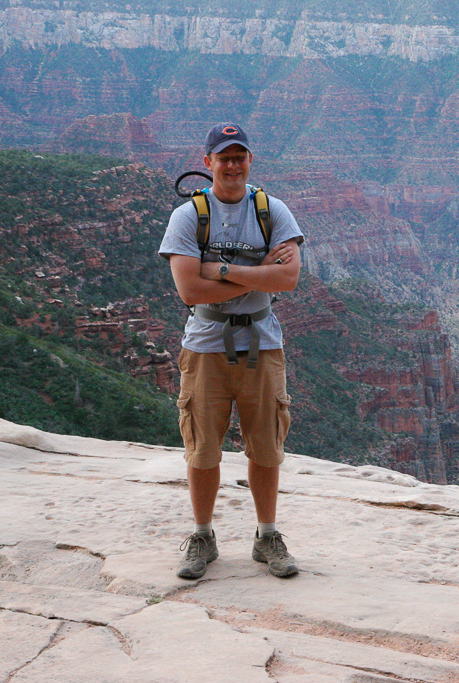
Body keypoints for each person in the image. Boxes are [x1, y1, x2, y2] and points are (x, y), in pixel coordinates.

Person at [158, 123, 304, 579]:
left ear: (250, 160)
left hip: (262, 342)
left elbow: (288, 279)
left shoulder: (271, 211)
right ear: (209, 163)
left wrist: (219, 269)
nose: (233, 164)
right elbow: (189, 290)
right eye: (224, 157)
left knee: (266, 446)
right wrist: (252, 270)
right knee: (202, 449)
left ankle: (267, 537)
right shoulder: (189, 217)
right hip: (206, 346)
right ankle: (202, 535)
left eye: (240, 156)